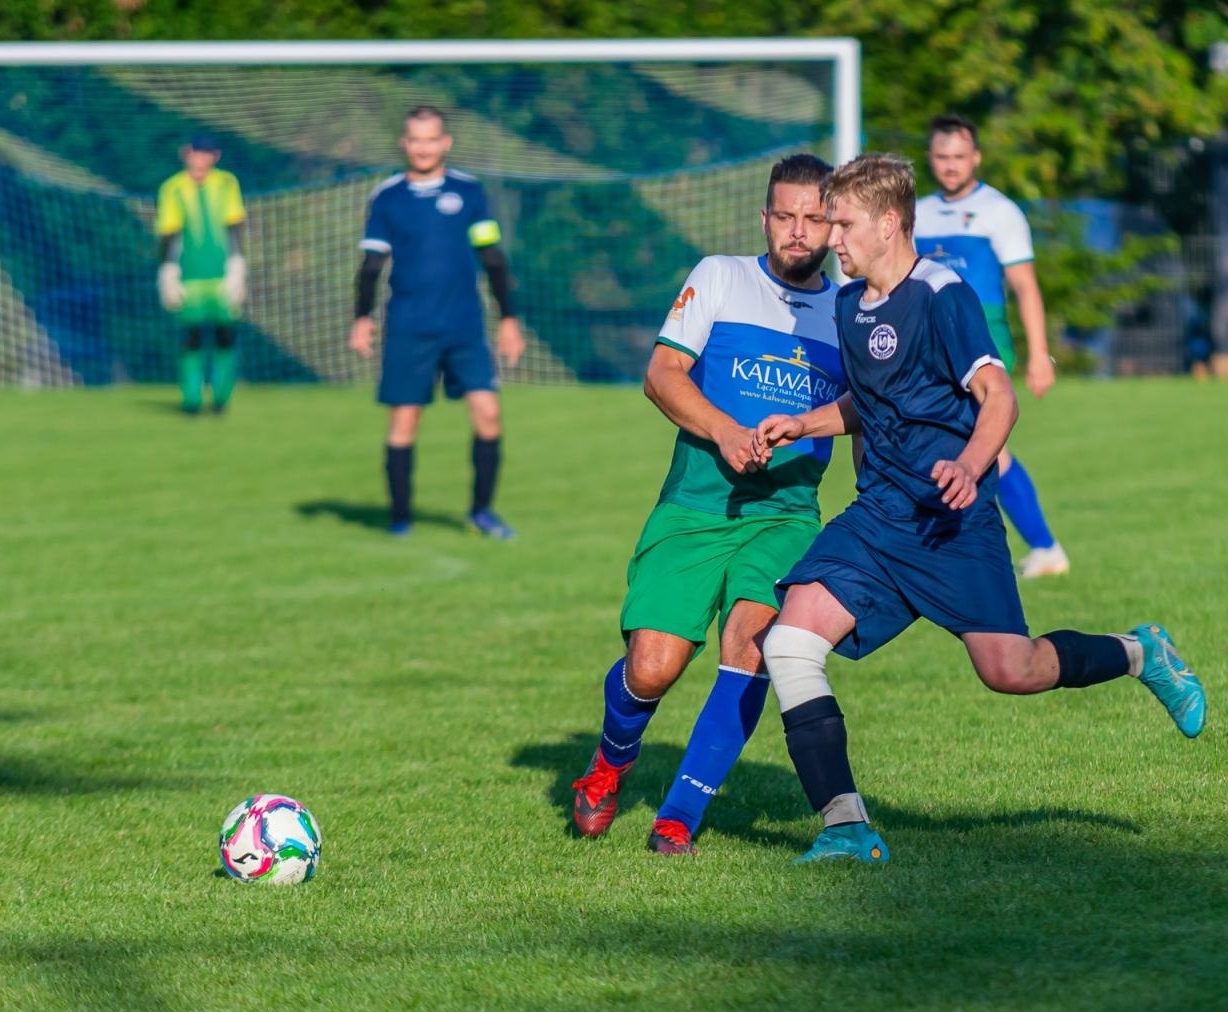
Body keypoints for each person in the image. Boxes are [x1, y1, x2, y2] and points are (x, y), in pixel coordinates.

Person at [752, 154, 1207, 865]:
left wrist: (968, 464)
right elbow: (868, 405)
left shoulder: (942, 294)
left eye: (842, 223)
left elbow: (1000, 397)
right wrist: (804, 423)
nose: (829, 238)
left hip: (950, 522)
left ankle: (1141, 651)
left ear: (888, 223)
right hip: (878, 519)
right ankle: (846, 825)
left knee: (1010, 670)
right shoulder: (847, 303)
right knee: (787, 643)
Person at [569, 154, 844, 855]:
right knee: (652, 667)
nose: (798, 231)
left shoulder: (850, 312)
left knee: (751, 642)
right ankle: (608, 765)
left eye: (814, 218)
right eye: (785, 215)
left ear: (834, 224)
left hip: (785, 516)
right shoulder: (720, 276)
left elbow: (863, 418)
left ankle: (677, 821)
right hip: (696, 508)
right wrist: (723, 430)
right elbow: (661, 375)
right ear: (765, 217)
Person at [348, 105, 525, 538]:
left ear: (445, 143)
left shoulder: (468, 193)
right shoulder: (388, 197)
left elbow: (493, 258)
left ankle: (482, 512)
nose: (424, 147)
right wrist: (361, 318)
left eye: (432, 139)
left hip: (464, 324)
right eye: (415, 139)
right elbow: (372, 264)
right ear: (404, 144)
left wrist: (509, 319)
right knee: (405, 421)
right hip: (409, 325)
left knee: (489, 413)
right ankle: (400, 518)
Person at [915, 115, 1067, 577]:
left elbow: (1025, 286)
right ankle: (991, 551)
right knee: (949, 441)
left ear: (976, 157)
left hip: (984, 335)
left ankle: (1043, 547)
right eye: (942, 157)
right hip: (932, 336)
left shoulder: (999, 211)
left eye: (960, 157)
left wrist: (1039, 354)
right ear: (931, 159)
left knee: (985, 446)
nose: (951, 166)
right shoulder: (918, 211)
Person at [157, 132, 247, 414]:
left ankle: (221, 396)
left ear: (214, 156)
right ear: (186, 153)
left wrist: (238, 266)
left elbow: (234, 226)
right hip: (189, 276)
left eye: (206, 153)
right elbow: (168, 232)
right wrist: (167, 271)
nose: (200, 158)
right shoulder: (172, 187)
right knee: (191, 335)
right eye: (196, 152)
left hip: (222, 273)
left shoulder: (226, 183)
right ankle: (192, 398)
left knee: (225, 333)